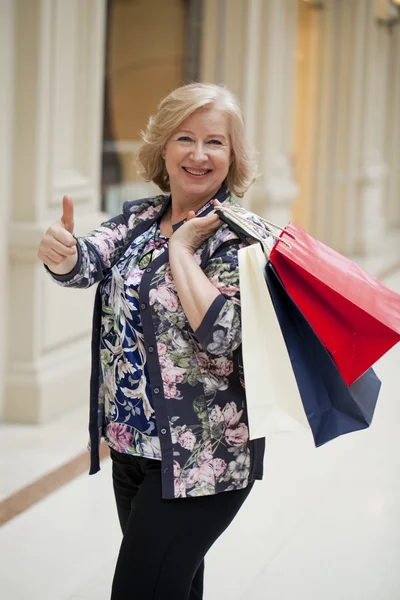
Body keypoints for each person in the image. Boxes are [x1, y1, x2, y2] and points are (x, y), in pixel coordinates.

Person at [37, 82, 268, 600]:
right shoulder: (139, 219)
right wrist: (64, 255)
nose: (198, 154)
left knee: (141, 589)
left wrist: (184, 251)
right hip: (133, 449)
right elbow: (87, 264)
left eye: (215, 142)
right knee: (175, 586)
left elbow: (224, 335)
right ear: (163, 147)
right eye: (185, 137)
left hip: (203, 459)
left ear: (233, 157)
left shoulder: (243, 239)